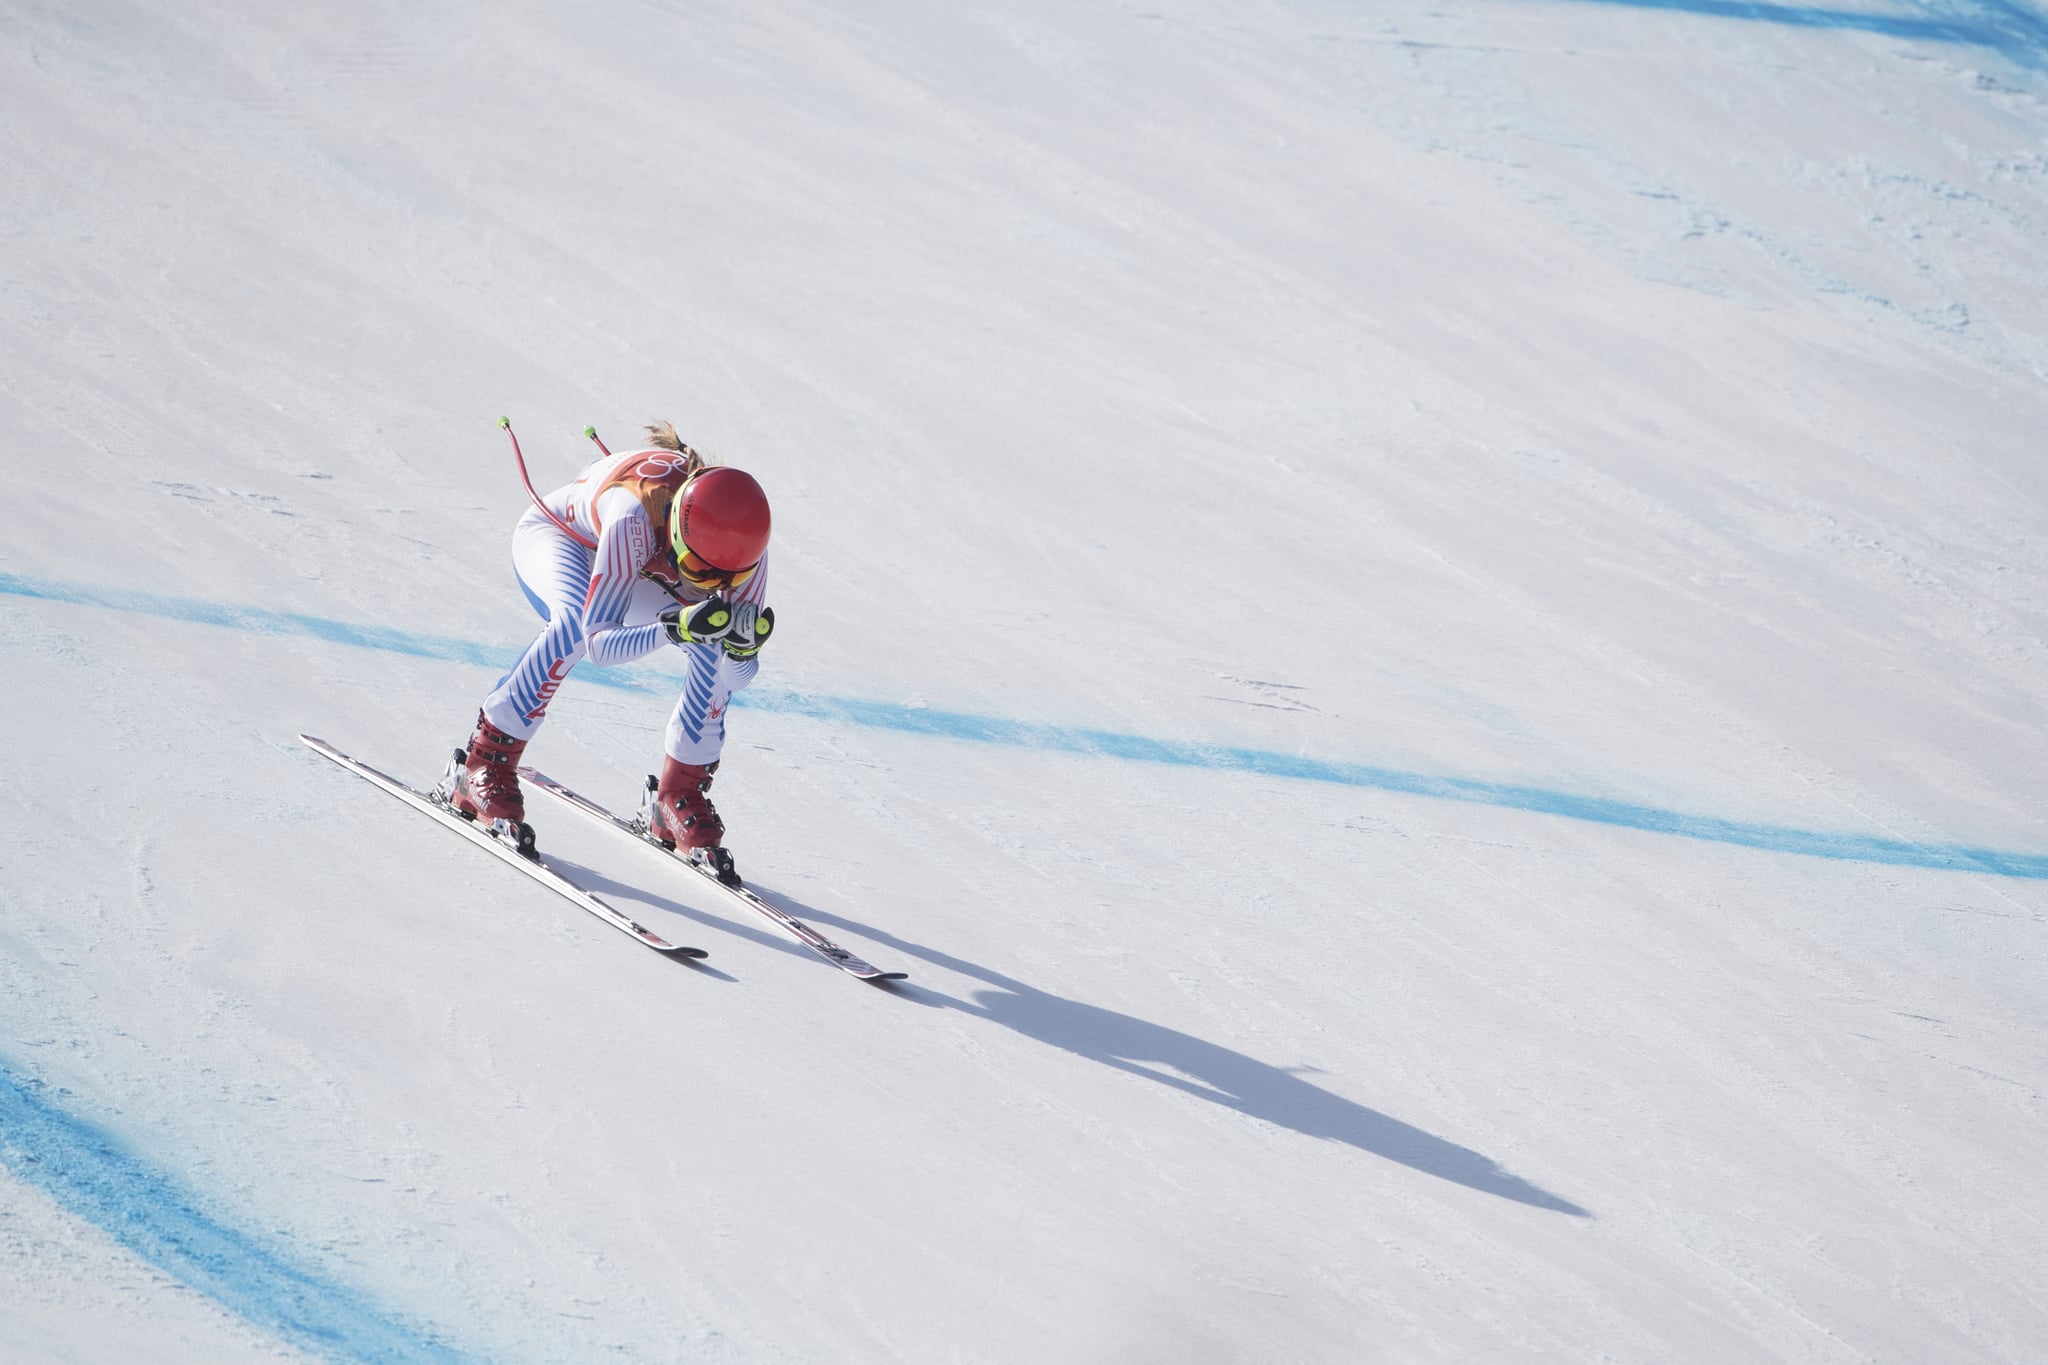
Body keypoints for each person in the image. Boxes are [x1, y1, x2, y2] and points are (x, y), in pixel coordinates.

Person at [444, 420, 773, 858]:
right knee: (572, 625)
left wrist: (742, 648)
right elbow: (599, 644)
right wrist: (674, 627)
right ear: (677, 533)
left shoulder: (740, 549)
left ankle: (679, 793)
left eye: (725, 579)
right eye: (700, 572)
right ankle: (484, 761)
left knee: (714, 639)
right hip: (565, 539)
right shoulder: (633, 515)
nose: (710, 585)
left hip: (646, 569)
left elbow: (736, 678)